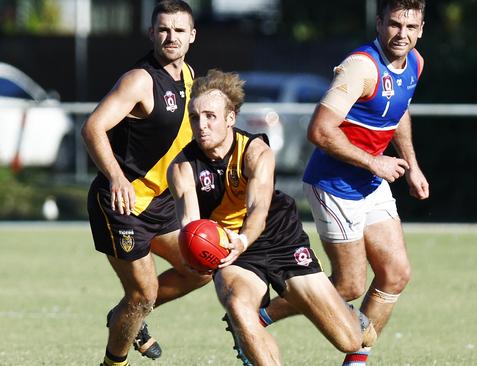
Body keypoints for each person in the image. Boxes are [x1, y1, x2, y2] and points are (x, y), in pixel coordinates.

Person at [255, 1, 429, 365]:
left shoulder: (415, 62)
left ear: (422, 28)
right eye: (394, 24)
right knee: (348, 285)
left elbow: (399, 110)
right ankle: (256, 317)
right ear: (379, 23)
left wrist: (412, 165)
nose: (402, 34)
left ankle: (356, 362)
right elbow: (319, 130)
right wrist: (374, 162)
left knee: (395, 274)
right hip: (334, 184)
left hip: (370, 180)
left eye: (411, 27)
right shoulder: (360, 67)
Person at [167, 68, 377, 366]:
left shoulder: (256, 152)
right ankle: (248, 335)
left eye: (210, 116)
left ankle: (343, 314)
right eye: (195, 117)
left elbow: (258, 211)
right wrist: (197, 252)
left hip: (279, 238)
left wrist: (242, 240)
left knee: (351, 340)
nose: (201, 125)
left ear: (230, 118)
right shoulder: (182, 167)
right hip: (231, 249)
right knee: (239, 307)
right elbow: (190, 223)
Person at [81, 2, 211, 366]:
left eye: (179, 30)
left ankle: (127, 315)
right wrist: (117, 178)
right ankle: (114, 360)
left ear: (192, 36)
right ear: (152, 33)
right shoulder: (139, 79)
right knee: (142, 294)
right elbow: (92, 127)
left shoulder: (188, 75)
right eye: (164, 29)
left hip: (158, 202)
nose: (172, 37)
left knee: (200, 268)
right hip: (120, 203)